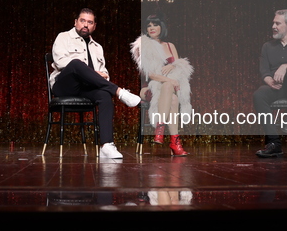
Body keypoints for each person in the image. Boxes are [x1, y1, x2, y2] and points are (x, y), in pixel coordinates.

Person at [50, 8, 141, 159]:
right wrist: (89, 72)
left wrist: (96, 75)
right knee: (76, 64)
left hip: (85, 88)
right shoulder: (63, 37)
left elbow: (104, 74)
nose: (85, 25)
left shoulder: (98, 48)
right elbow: (61, 63)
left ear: (94, 26)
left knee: (104, 94)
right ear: (76, 22)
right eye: (82, 21)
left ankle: (107, 145)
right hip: (65, 85)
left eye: (90, 22)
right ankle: (120, 92)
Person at [131, 14, 193, 156]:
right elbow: (150, 75)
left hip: (169, 89)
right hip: (150, 87)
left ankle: (161, 129)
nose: (152, 28)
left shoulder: (170, 46)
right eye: (149, 25)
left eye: (155, 24)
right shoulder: (144, 46)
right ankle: (175, 142)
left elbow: (179, 68)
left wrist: (173, 67)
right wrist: (169, 80)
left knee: (173, 98)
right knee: (168, 89)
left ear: (161, 27)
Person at [253, 9, 287, 158]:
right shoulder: (267, 47)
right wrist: (269, 81)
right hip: (278, 87)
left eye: (278, 23)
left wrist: (285, 66)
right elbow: (264, 71)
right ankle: (274, 143)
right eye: (273, 23)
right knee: (259, 95)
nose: (273, 26)